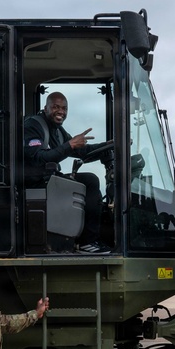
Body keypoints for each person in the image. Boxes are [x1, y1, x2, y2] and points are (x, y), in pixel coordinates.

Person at [23, 91, 112, 253]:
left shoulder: (58, 130)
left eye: (64, 108)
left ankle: (90, 240)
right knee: (90, 181)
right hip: (35, 182)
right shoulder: (33, 125)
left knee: (89, 180)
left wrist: (107, 145)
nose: (61, 112)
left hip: (49, 179)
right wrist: (70, 144)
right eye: (56, 107)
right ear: (46, 108)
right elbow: (38, 158)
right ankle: (87, 242)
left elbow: (82, 152)